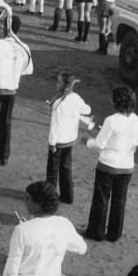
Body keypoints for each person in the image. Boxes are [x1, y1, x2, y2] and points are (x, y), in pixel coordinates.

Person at [0, 182, 87, 276]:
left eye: (28, 198)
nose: (24, 201)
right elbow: (81, 248)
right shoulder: (63, 224)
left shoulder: (22, 230)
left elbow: (12, 266)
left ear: (38, 204)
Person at [84, 85, 138, 242]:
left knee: (101, 199)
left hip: (107, 165)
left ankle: (96, 232)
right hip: (126, 167)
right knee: (119, 200)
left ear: (115, 102)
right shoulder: (137, 121)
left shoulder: (111, 120)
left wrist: (87, 142)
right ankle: (114, 233)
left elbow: (100, 143)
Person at [0, 15, 33, 166]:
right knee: (6, 123)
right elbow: (29, 69)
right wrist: (15, 72)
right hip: (11, 90)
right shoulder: (24, 47)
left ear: (5, 27)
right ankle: (4, 155)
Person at [45, 73, 91, 205]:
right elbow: (87, 110)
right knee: (66, 168)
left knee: (52, 170)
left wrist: (51, 143)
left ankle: (50, 197)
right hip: (70, 140)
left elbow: (55, 126)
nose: (56, 84)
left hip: (58, 142)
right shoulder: (76, 98)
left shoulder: (58, 103)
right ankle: (67, 196)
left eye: (59, 82)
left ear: (64, 86)